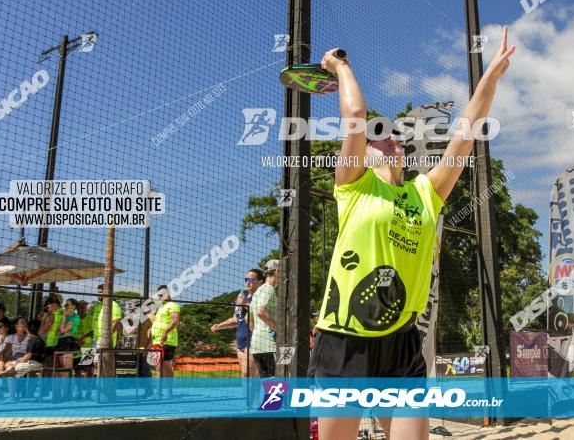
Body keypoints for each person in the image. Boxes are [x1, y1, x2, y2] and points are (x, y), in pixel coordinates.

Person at [309, 32, 515, 440]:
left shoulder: (426, 191)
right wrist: (340, 66)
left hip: (401, 342)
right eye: (378, 134)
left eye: (394, 135)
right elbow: (355, 112)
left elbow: (465, 134)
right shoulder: (353, 184)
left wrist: (490, 77)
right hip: (345, 340)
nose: (391, 138)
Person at [211, 268, 263, 377]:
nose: (248, 281)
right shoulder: (242, 296)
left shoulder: (261, 297)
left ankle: (253, 394)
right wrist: (219, 325)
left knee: (248, 374)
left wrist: (246, 303)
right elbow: (236, 319)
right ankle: (249, 395)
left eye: (251, 278)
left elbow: (259, 316)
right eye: (246, 279)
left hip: (254, 340)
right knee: (249, 376)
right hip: (241, 342)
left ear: (259, 281)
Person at [148, 285, 181, 398]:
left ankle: (169, 392)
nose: (161, 296)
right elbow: (157, 322)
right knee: (157, 367)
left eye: (162, 294)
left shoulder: (172, 305)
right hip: (157, 341)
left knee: (166, 366)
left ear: (168, 293)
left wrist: (165, 332)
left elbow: (176, 320)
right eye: (159, 295)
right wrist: (150, 329)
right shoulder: (161, 307)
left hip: (168, 340)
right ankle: (158, 392)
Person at [250, 260, 279, 378]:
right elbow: (260, 312)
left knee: (269, 383)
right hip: (269, 343)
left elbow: (250, 322)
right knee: (278, 381)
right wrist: (280, 330)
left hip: (257, 344)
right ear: (278, 271)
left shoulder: (258, 292)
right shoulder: (268, 289)